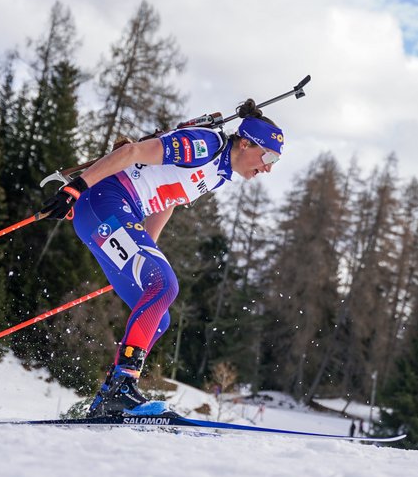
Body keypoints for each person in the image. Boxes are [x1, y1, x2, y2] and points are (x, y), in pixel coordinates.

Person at [39, 99, 285, 416]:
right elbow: (131, 153)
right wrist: (75, 188)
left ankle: (107, 400)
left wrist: (143, 257)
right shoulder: (205, 145)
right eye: (268, 156)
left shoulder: (219, 172)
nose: (268, 167)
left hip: (116, 213)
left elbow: (168, 200)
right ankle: (122, 387)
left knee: (160, 316)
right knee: (164, 284)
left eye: (275, 161)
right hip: (102, 202)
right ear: (246, 143)